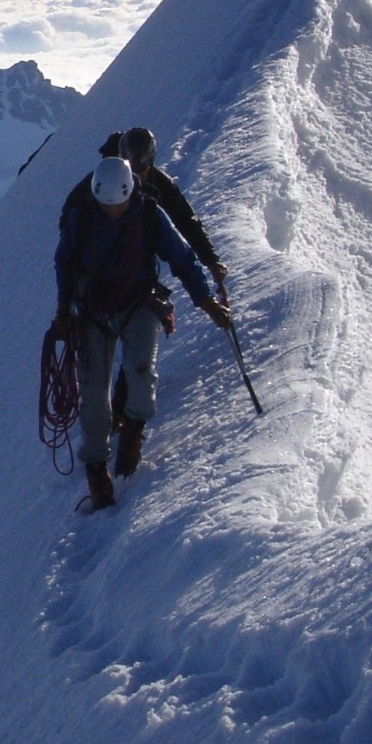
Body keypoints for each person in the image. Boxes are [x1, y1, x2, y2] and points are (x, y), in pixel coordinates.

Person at [55, 156, 230, 510]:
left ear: (128, 193)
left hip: (137, 303)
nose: (113, 211)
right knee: (93, 389)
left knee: (141, 371)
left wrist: (207, 301)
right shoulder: (85, 216)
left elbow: (183, 259)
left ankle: (133, 431)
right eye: (107, 205)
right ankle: (97, 466)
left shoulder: (150, 215)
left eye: (117, 205)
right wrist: (63, 310)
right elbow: (65, 262)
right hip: (93, 310)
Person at [61, 127, 229, 434]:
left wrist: (209, 260)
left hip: (133, 279)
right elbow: (70, 230)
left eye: (140, 167)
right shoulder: (107, 183)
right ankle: (119, 416)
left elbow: (183, 224)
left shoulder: (140, 187)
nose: (136, 174)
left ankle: (124, 414)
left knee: (135, 343)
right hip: (99, 284)